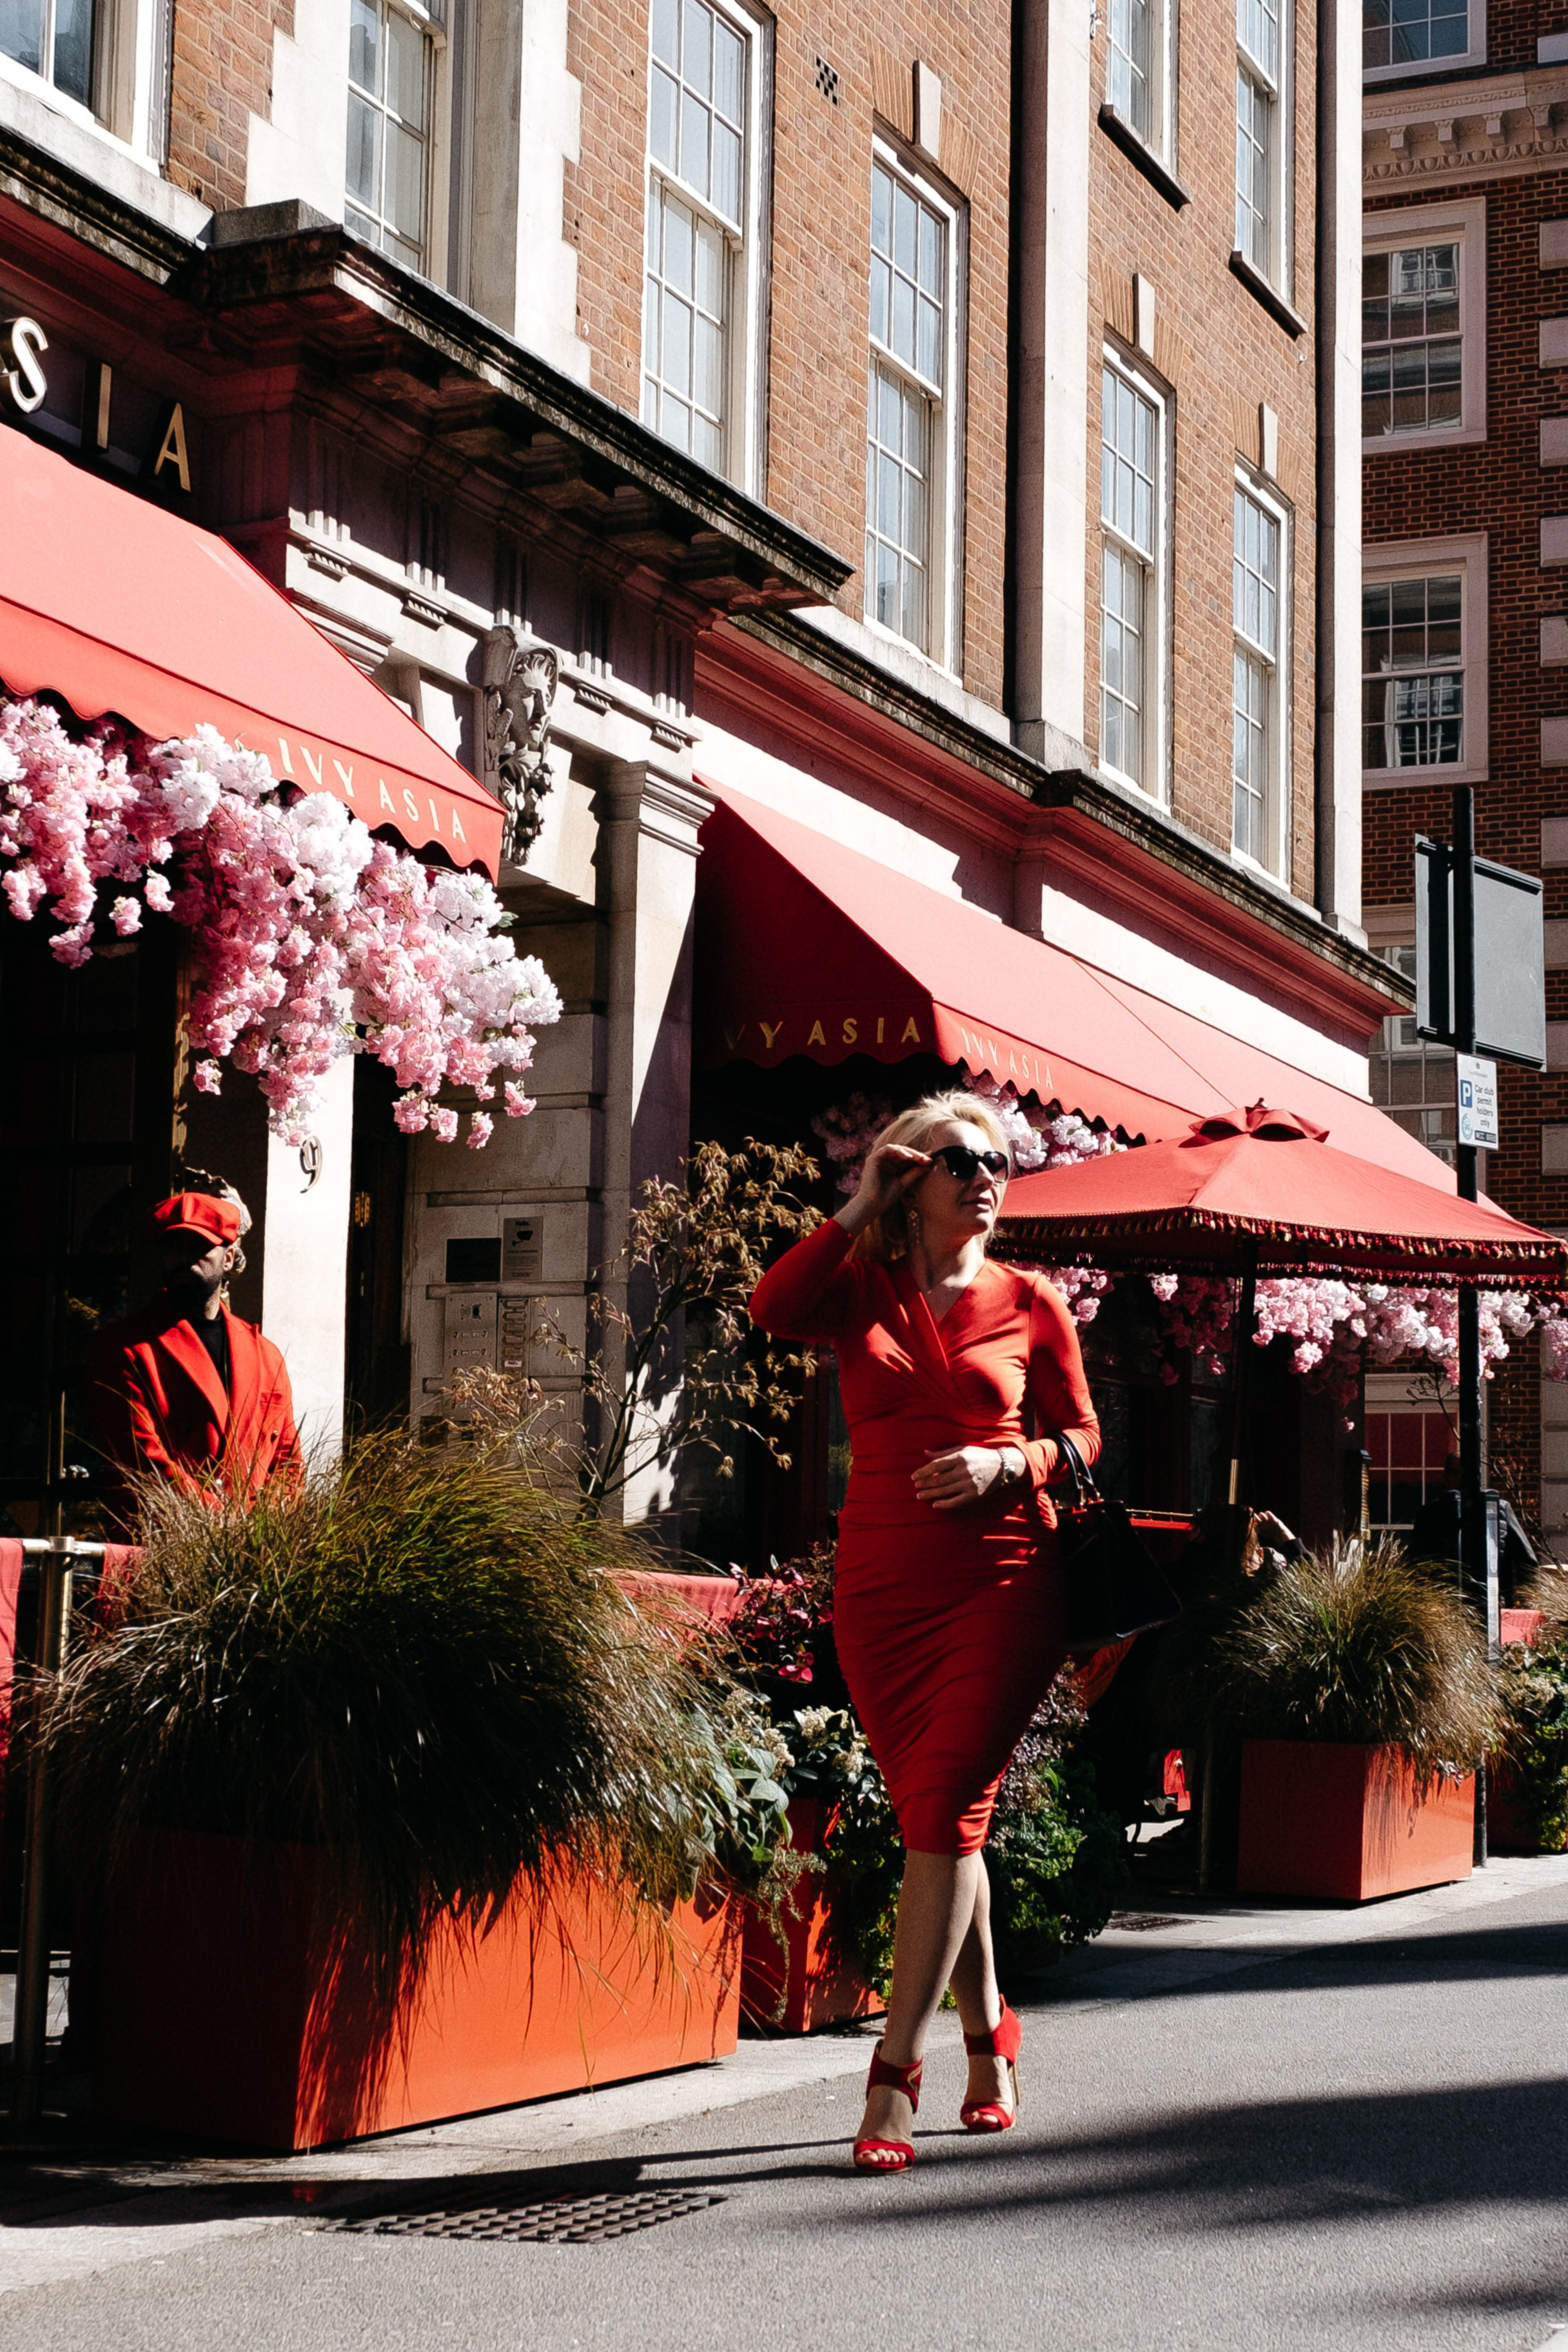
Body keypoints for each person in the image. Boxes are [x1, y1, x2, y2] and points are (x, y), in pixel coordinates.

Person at [750, 1091, 1099, 2173]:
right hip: (883, 1585)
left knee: (945, 1805)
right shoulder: (860, 1287)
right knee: (940, 1825)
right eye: (958, 1157)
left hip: (1003, 1579)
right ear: (914, 1176)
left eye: (997, 1158)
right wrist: (858, 1204)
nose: (985, 1173)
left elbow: (1086, 1435)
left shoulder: (1030, 1298)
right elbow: (771, 1307)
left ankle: (894, 2073)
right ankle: (989, 2032)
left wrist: (1016, 1460)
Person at [88, 1190, 300, 1525]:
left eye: (200, 1245)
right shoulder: (124, 1348)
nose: (185, 1257)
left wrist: (263, 1531)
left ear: (228, 1258)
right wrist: (223, 1525)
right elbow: (141, 1461)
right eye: (174, 1246)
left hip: (255, 1555)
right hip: (164, 1548)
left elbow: (287, 1462)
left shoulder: (266, 1355)